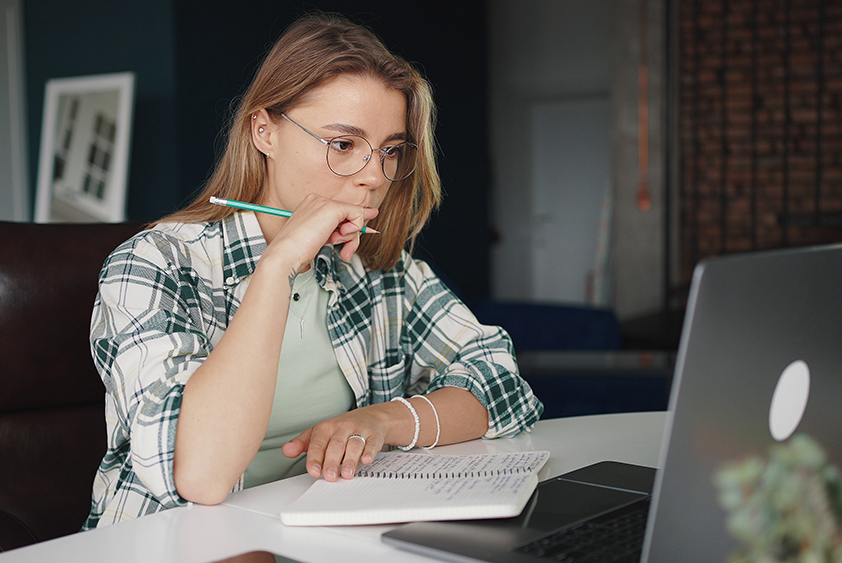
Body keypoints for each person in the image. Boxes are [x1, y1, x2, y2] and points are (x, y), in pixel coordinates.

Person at [84, 12, 543, 529]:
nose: (373, 176)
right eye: (343, 144)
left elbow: (504, 385)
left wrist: (381, 420)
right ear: (265, 132)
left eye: (390, 150)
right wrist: (277, 266)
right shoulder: (152, 265)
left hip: (321, 535)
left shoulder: (381, 271)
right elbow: (200, 476)